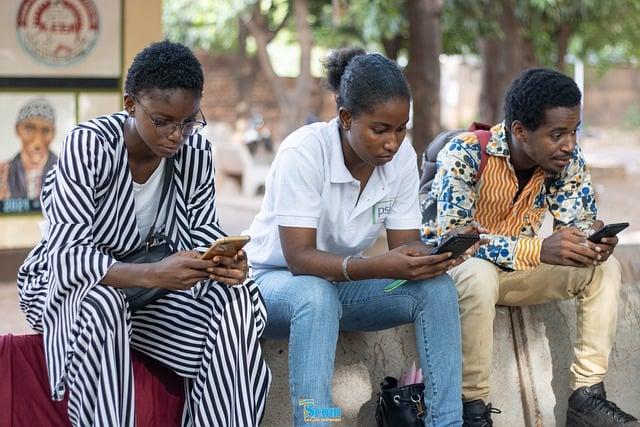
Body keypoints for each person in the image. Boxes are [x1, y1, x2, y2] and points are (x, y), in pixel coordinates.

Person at [16, 41, 271, 427]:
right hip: (67, 287)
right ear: (130, 105)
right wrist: (156, 274)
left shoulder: (195, 153)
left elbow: (201, 230)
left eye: (188, 122)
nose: (177, 135)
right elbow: (69, 257)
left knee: (231, 301)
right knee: (104, 307)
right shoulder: (89, 147)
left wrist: (222, 262)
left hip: (150, 291)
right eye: (163, 121)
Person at [245, 47, 480, 426]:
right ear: (346, 118)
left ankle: (446, 422)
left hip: (341, 287)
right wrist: (376, 266)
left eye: (401, 128)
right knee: (314, 295)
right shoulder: (304, 153)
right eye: (380, 130)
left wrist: (435, 255)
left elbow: (404, 246)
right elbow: (299, 259)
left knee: (436, 289)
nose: (393, 142)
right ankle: (316, 421)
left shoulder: (400, 159)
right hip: (270, 287)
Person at [422, 68, 638, 426]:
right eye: (557, 134)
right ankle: (472, 409)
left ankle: (587, 398)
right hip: (456, 277)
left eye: (574, 131)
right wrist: (537, 249)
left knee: (603, 270)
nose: (569, 144)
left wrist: (591, 242)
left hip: (517, 275)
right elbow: (453, 242)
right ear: (520, 131)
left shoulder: (565, 160)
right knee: (477, 275)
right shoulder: (465, 152)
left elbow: (577, 221)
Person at [0, 98, 58, 200]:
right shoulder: (3, 171)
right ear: (18, 129)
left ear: (53, 133)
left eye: (45, 131)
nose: (37, 141)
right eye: (29, 129)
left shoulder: (64, 172)